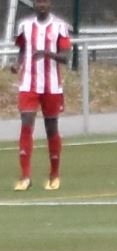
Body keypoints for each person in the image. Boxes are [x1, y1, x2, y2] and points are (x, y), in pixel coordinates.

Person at [9, 0, 71, 191]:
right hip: (28, 84)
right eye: (38, 1)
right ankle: (25, 177)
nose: (41, 4)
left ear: (51, 4)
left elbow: (66, 57)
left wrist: (46, 53)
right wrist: (17, 63)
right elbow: (23, 50)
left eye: (44, 1)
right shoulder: (25, 26)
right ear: (34, 4)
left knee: (51, 128)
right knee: (26, 124)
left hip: (51, 86)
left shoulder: (60, 26)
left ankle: (54, 175)